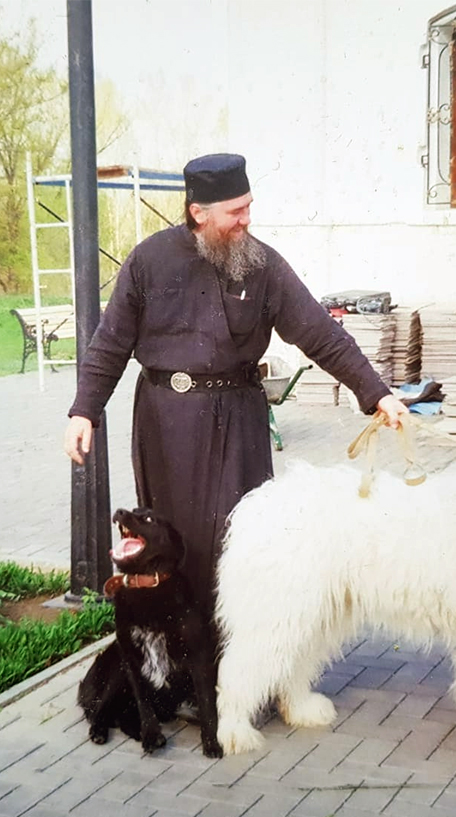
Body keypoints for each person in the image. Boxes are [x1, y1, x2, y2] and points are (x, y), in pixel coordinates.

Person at [64, 153, 410, 605]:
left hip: (238, 421)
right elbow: (110, 342)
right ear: (198, 213)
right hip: (165, 422)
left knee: (241, 537)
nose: (247, 219)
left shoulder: (263, 264)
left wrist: (377, 394)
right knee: (171, 536)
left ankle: (237, 651)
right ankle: (182, 647)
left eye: (248, 206)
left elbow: (320, 333)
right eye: (235, 211)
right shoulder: (149, 260)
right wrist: (84, 410)